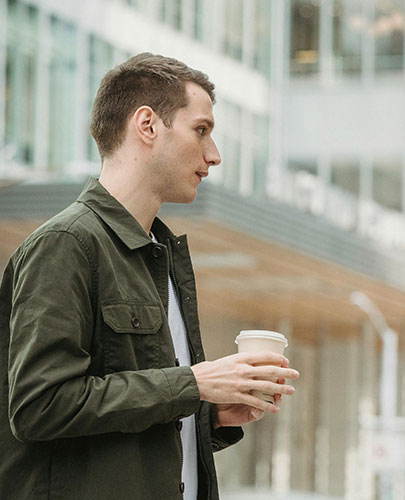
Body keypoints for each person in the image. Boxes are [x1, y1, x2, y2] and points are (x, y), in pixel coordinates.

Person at [0, 53, 300, 500]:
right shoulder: (67, 243)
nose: (214, 155)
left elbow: (135, 422)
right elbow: (40, 406)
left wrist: (209, 413)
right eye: (201, 130)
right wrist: (194, 384)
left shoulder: (162, 256)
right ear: (147, 125)